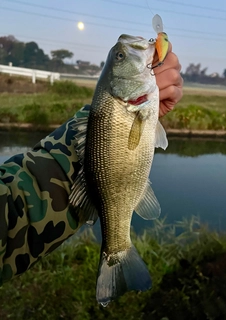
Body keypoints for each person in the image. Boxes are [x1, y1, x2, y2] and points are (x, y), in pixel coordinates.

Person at [0, 43, 183, 284]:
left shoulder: (129, 99)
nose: (127, 52)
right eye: (120, 57)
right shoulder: (125, 99)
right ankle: (118, 250)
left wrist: (145, 110)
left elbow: (14, 208)